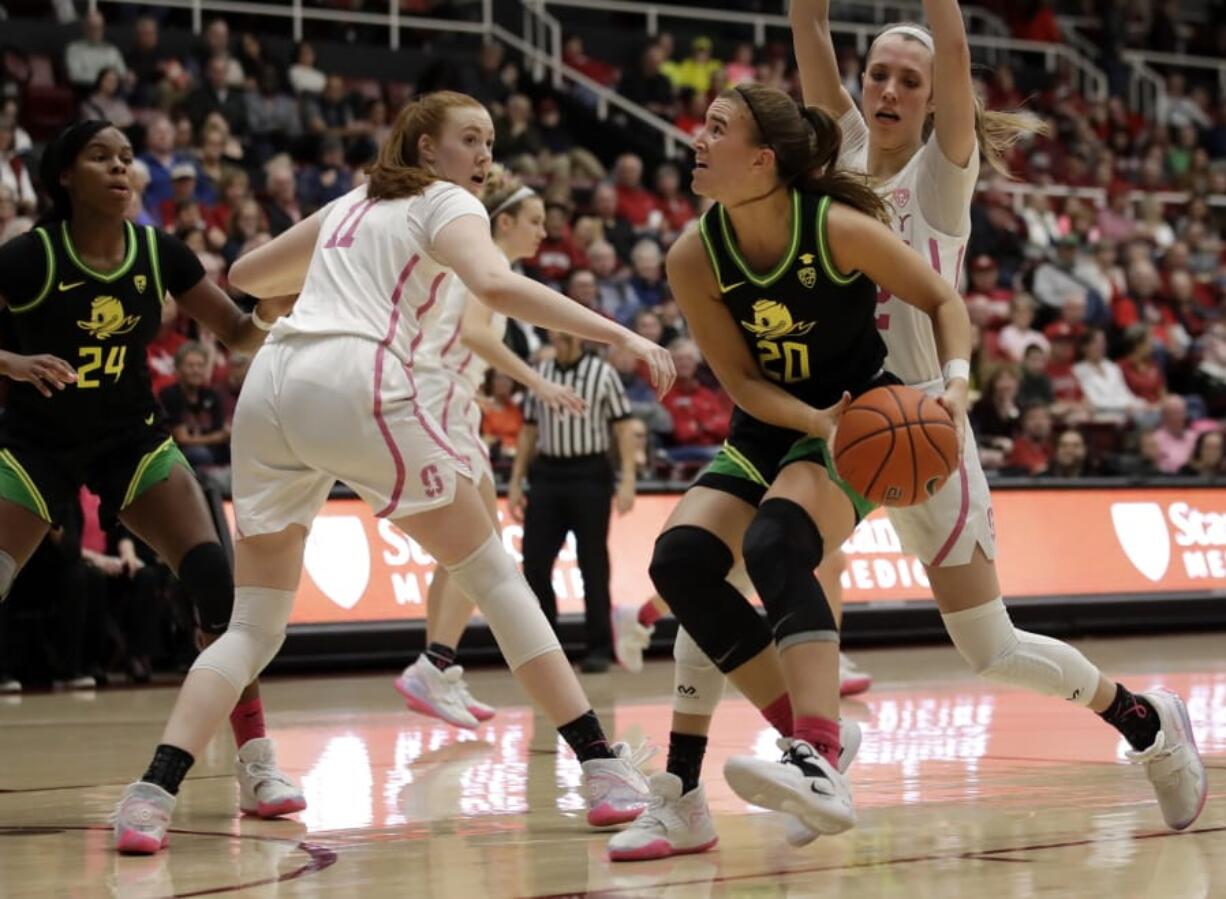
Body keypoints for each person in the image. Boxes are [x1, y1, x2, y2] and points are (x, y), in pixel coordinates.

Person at [113, 92, 675, 853]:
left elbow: (246, 271)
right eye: (469, 139)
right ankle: (604, 768)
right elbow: (499, 285)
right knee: (493, 575)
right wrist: (623, 336)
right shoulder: (444, 202)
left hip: (271, 387)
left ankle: (150, 793)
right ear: (422, 150)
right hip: (357, 375)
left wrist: (328, 284)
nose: (484, 156)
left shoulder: (349, 205)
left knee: (251, 625)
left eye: (489, 140)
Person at [782, 0, 1204, 836]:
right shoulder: (847, 149)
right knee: (776, 551)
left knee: (991, 647)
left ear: (938, 96)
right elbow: (811, 30)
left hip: (926, 432)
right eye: (880, 76)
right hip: (851, 424)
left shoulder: (942, 172)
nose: (891, 90)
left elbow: (957, 44)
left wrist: (941, 27)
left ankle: (1147, 722)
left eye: (912, 80)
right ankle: (817, 754)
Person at [609, 81, 975, 860]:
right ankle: (813, 748)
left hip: (866, 423)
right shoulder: (692, 252)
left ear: (763, 160)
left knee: (778, 542)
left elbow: (943, 299)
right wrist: (811, 420)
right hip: (781, 424)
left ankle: (812, 746)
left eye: (716, 129)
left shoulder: (837, 228)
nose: (696, 140)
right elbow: (740, 381)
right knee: (680, 562)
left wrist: (957, 378)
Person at [0, 121, 304, 846]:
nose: (120, 167)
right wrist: (12, 363)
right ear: (65, 175)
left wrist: (290, 300)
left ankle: (256, 760)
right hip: (35, 445)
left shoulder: (157, 251)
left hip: (130, 436)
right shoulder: (30, 255)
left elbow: (235, 333)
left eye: (128, 158)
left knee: (214, 577)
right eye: (101, 156)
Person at [393, 167, 586, 728]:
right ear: (504, 223)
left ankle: (437, 664)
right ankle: (434, 664)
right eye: (534, 222)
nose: (543, 234)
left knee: (469, 547)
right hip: (438, 395)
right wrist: (539, 381)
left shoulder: (471, 260)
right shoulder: (490, 266)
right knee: (481, 545)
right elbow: (475, 334)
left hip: (449, 396)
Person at [508, 328, 639, 673]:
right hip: (547, 474)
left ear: (579, 336)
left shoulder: (603, 373)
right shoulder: (541, 375)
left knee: (592, 563)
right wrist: (516, 482)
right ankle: (545, 645)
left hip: (589, 473)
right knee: (534, 562)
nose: (559, 335)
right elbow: (529, 431)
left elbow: (624, 428)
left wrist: (628, 479)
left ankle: (598, 647)